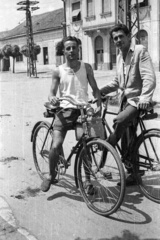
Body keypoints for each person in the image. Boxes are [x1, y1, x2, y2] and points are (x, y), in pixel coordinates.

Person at [41, 36, 101, 192]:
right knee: (56, 145)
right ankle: (50, 175)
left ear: (78, 49)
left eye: (74, 47)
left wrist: (98, 100)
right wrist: (52, 97)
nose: (71, 51)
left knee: (86, 144)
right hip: (65, 110)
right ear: (64, 51)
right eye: (68, 48)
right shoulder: (58, 70)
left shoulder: (86, 67)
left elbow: (94, 88)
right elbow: (51, 92)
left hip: (82, 111)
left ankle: (88, 181)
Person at [100, 24, 156, 186]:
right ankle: (133, 171)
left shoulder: (139, 51)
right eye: (115, 38)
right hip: (125, 101)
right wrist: (100, 91)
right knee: (127, 137)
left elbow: (149, 77)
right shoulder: (119, 56)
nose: (118, 40)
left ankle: (109, 145)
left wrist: (145, 98)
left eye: (120, 37)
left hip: (138, 101)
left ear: (128, 36)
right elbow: (118, 82)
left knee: (119, 121)